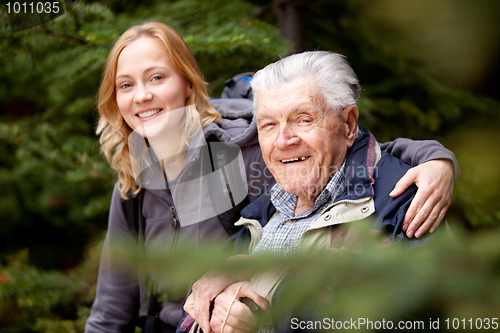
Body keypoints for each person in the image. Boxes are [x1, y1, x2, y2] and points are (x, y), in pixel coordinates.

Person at [85, 21, 459, 333]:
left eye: (156, 77)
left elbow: (352, 155)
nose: (142, 96)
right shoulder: (136, 178)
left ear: (187, 83)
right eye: (126, 85)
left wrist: (436, 159)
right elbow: (112, 305)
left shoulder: (236, 156)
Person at [183, 51, 459, 333]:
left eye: (303, 119)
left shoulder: (405, 203)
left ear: (348, 124)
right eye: (268, 125)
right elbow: (194, 318)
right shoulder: (263, 211)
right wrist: (215, 306)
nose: (283, 140)